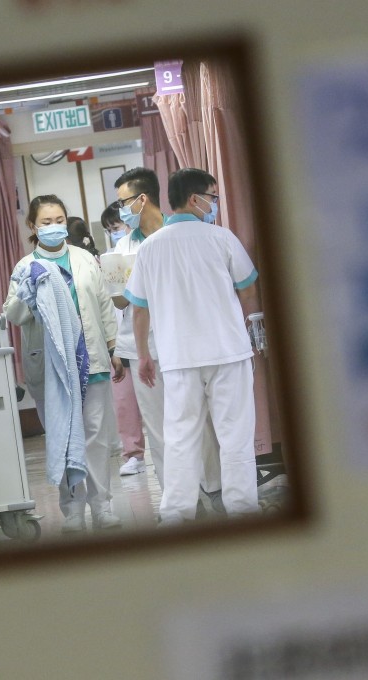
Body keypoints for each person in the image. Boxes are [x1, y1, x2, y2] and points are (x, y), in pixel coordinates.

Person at [124, 168, 260, 524]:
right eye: (212, 198)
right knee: (236, 436)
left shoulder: (149, 248)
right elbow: (247, 288)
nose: (214, 205)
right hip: (228, 352)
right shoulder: (221, 238)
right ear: (194, 198)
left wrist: (142, 356)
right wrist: (254, 327)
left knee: (180, 439)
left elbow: (139, 309)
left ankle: (176, 514)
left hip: (178, 358)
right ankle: (243, 509)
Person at [2, 195, 124, 533]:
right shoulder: (25, 267)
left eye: (59, 220)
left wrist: (114, 349)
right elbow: (13, 314)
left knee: (95, 437)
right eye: (46, 222)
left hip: (92, 361)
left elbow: (102, 307)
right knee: (61, 436)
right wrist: (25, 294)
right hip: (52, 368)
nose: (54, 227)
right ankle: (72, 512)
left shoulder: (85, 259)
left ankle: (102, 507)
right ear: (33, 226)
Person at [110, 168, 224, 507]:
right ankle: (176, 503)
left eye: (123, 202)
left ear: (142, 199)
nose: (120, 210)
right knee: (160, 432)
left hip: (186, 344)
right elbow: (122, 301)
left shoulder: (185, 233)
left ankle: (214, 491)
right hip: (141, 347)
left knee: (200, 424)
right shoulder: (122, 247)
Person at [100, 205, 147, 476]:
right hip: (122, 342)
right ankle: (133, 454)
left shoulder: (146, 248)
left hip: (147, 337)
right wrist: (114, 347)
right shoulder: (109, 260)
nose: (114, 233)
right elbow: (111, 307)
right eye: (110, 229)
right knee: (124, 402)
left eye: (116, 227)